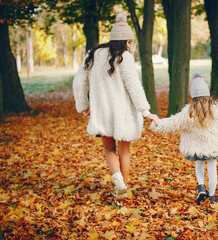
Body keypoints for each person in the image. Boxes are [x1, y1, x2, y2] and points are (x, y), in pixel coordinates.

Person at [72, 13, 159, 201]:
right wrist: (145, 111)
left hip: (102, 111)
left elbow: (79, 82)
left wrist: (84, 106)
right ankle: (124, 189)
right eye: (129, 42)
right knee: (124, 151)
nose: (129, 46)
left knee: (109, 150)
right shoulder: (124, 57)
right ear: (123, 41)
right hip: (123, 113)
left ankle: (118, 182)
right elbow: (134, 86)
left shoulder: (92, 55)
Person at [150, 71, 218, 204]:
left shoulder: (189, 112)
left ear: (193, 96)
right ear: (207, 95)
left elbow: (173, 123)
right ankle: (212, 197)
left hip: (196, 147)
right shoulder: (217, 111)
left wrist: (158, 124)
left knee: (199, 165)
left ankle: (201, 186)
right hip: (213, 147)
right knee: (212, 169)